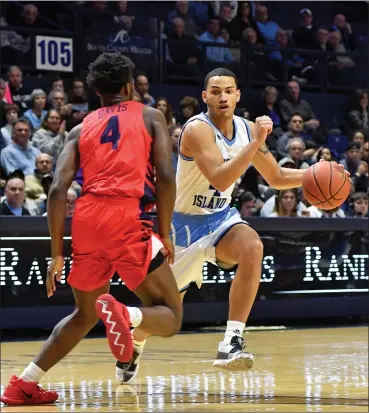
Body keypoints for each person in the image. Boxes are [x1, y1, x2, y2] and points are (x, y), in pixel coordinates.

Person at [116, 67, 329, 383]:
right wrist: (255, 143)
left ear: (238, 95)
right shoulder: (196, 129)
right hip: (181, 228)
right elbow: (220, 177)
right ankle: (134, 342)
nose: (223, 96)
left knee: (253, 245)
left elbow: (276, 177)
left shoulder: (244, 129)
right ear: (205, 97)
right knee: (167, 316)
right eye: (215, 91)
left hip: (220, 219)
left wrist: (320, 172)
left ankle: (232, 341)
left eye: (229, 90)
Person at [0, 52, 182, 406]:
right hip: (129, 215)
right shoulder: (151, 116)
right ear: (130, 87)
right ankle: (126, 315)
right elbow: (166, 176)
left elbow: (56, 190)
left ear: (96, 92)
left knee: (84, 314)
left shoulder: (80, 128)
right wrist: (166, 231)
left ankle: (24, 383)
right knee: (172, 315)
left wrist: (56, 253)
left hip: (86, 218)